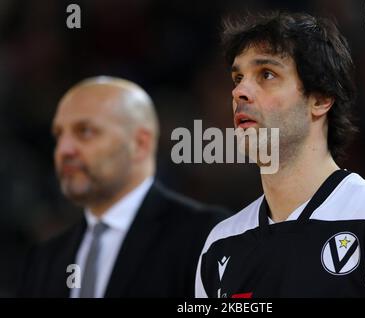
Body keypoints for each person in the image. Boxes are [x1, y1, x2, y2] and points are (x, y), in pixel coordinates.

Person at [195, 11, 365, 298]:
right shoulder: (220, 244)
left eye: (266, 74)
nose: (240, 91)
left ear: (320, 99)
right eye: (238, 77)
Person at [18, 76, 229, 297]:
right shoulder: (46, 258)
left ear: (140, 144)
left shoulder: (209, 235)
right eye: (59, 135)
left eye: (85, 131)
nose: (64, 149)